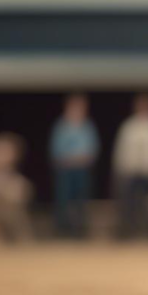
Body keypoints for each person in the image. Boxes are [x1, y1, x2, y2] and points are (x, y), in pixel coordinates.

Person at [112, 93, 148, 240]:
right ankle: (128, 232)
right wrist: (122, 169)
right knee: (129, 204)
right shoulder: (129, 126)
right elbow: (122, 149)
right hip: (132, 172)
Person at [49, 93, 99, 239]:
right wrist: (69, 160)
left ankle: (80, 232)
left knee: (81, 201)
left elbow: (92, 149)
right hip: (65, 170)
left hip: (82, 170)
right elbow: (55, 150)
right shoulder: (61, 126)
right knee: (63, 200)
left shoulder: (88, 126)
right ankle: (62, 231)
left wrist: (81, 159)